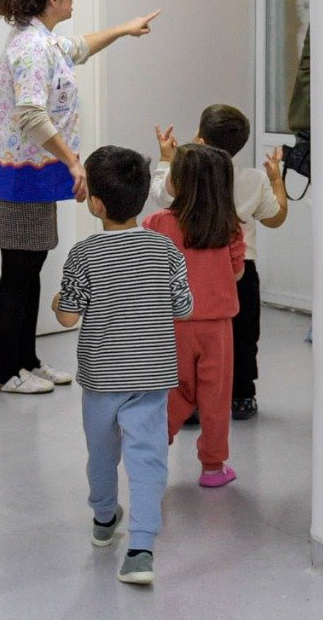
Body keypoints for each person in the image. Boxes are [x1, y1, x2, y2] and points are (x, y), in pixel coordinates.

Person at [0, 0, 160, 396]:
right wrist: (73, 162)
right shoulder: (30, 48)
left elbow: (78, 47)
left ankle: (27, 360)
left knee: (32, 267)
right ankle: (6, 371)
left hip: (34, 175)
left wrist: (124, 29)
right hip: (17, 177)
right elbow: (31, 115)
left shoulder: (44, 39)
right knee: (18, 272)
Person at [51, 145, 191, 588]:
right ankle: (140, 550)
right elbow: (183, 308)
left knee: (102, 453)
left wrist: (58, 301)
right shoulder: (164, 248)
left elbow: (68, 317)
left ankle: (104, 518)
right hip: (152, 375)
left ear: (95, 203)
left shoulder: (84, 253)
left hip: (102, 377)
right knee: (148, 458)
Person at [150, 104, 289, 419]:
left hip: (193, 268)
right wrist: (276, 180)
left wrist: (166, 158)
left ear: (200, 140)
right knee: (243, 336)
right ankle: (242, 396)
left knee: (189, 336)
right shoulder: (254, 179)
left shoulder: (183, 176)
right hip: (241, 271)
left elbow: (160, 194)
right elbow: (275, 218)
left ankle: (190, 401)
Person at [145, 143, 248, 487]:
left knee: (173, 392)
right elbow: (237, 273)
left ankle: (152, 451)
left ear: (177, 182)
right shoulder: (229, 226)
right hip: (216, 328)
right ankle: (213, 467)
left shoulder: (157, 223)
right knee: (215, 397)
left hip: (171, 325)